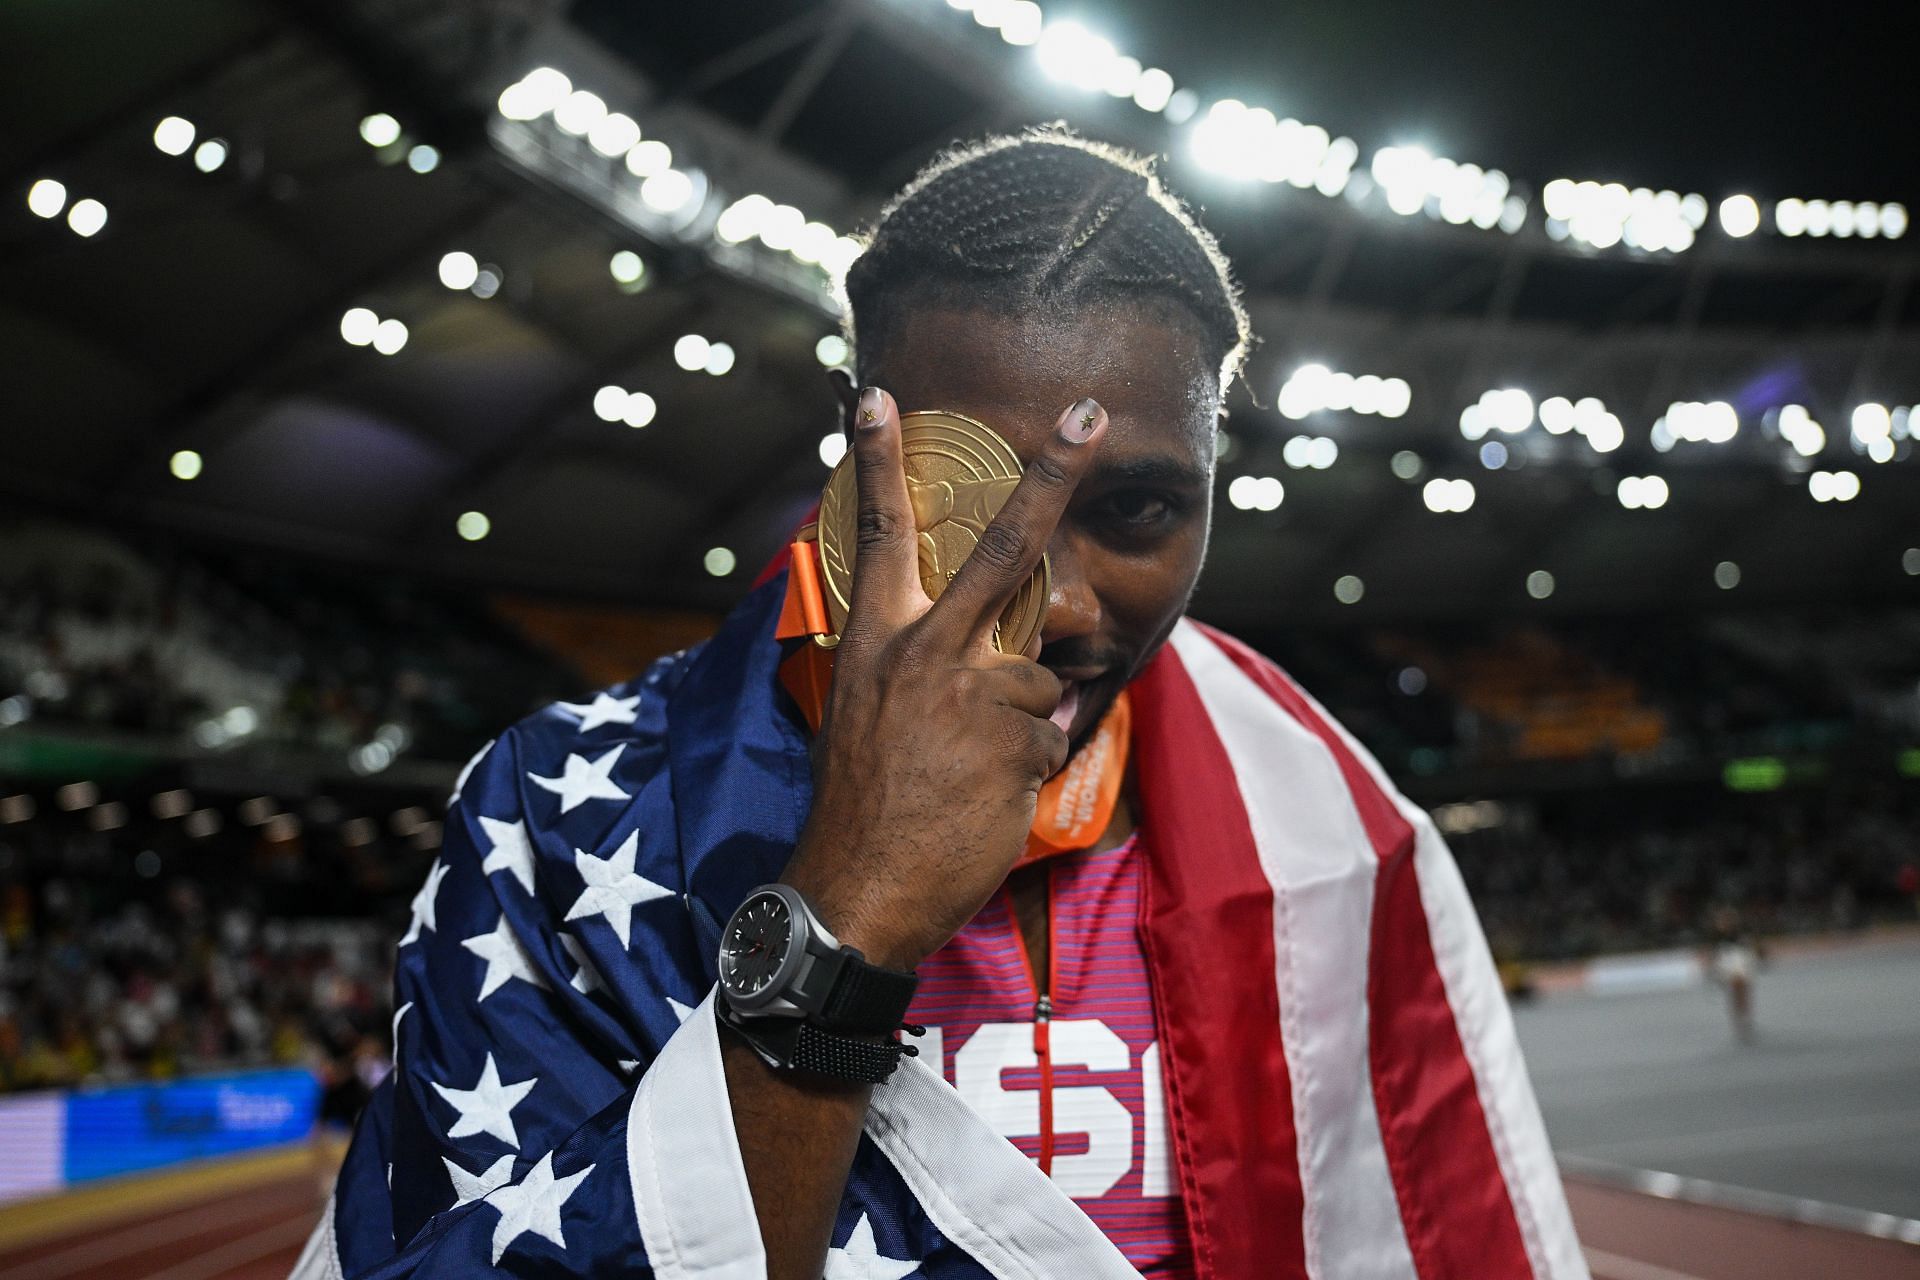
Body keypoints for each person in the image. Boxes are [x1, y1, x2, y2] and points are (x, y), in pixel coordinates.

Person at [294, 129, 1587, 1280]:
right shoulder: (561, 820)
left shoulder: (1334, 828)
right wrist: (846, 922)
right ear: (865, 450)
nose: (1066, 606)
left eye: (1138, 508)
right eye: (980, 508)